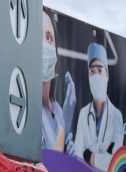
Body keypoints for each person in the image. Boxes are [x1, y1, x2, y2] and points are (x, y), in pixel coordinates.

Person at [74, 41, 124, 172]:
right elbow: (78, 155)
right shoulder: (83, 113)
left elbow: (116, 160)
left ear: (107, 76)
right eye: (92, 71)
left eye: (100, 70)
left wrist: (90, 156)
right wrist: (100, 157)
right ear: (88, 76)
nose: (96, 76)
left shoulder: (117, 115)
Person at [41, 10, 76, 154]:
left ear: (56, 54)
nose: (44, 43)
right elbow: (49, 169)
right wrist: (63, 129)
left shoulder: (59, 110)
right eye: (38, 37)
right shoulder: (29, 110)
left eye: (49, 38)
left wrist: (70, 155)